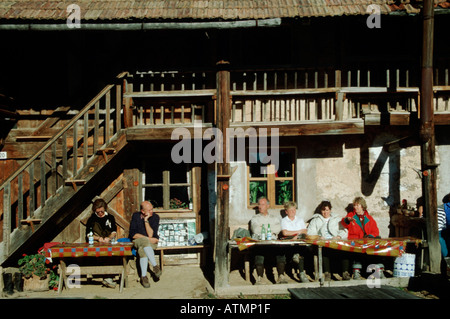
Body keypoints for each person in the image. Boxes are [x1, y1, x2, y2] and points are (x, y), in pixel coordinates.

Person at [340, 196, 381, 280]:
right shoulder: (351, 215)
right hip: (355, 242)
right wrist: (347, 220)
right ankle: (356, 272)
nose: (355, 207)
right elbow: (344, 222)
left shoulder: (369, 218)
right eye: (354, 205)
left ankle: (378, 271)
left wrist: (371, 236)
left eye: (357, 205)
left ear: (362, 206)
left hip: (367, 241)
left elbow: (375, 231)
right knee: (356, 252)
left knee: (377, 249)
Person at [307, 200, 348, 281]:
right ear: (320, 210)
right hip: (323, 242)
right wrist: (318, 236)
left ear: (330, 210)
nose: (325, 212)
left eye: (327, 210)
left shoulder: (337, 219)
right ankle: (327, 273)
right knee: (324, 250)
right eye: (323, 210)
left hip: (335, 241)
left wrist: (338, 237)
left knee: (344, 249)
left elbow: (344, 230)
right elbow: (310, 232)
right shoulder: (316, 219)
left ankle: (345, 273)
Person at [250, 197, 284, 284]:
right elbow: (255, 230)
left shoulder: (274, 218)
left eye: (263, 204)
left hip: (272, 243)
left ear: (268, 206)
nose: (260, 207)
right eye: (259, 204)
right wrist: (269, 228)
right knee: (259, 252)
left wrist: (262, 227)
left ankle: (281, 276)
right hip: (260, 243)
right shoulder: (255, 218)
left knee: (280, 252)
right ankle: (260, 278)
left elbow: (277, 229)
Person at [85, 198, 118, 288]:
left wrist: (109, 238)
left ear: (105, 209)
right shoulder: (91, 219)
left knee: (111, 252)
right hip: (96, 242)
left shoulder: (110, 218)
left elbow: (114, 231)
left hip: (108, 241)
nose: (100, 213)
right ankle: (107, 277)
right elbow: (88, 235)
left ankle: (109, 277)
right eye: (98, 212)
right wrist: (98, 238)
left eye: (101, 212)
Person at [129, 201, 162, 288]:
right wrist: (148, 239)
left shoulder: (155, 217)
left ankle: (143, 277)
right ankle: (155, 266)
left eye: (152, 209)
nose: (152, 211)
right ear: (143, 211)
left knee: (142, 250)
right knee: (144, 241)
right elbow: (133, 234)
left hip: (150, 244)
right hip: (139, 241)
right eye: (149, 210)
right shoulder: (136, 216)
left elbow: (151, 234)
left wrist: (146, 220)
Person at [280, 201, 309, 283]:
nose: (293, 212)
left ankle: (302, 273)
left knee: (301, 249)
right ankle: (301, 273)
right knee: (298, 250)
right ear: (286, 212)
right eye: (291, 210)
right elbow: (285, 233)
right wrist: (297, 233)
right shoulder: (284, 220)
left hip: (299, 242)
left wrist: (296, 235)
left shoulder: (300, 219)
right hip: (289, 243)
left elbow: (305, 231)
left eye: (294, 210)